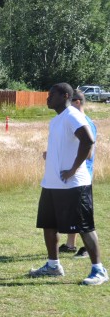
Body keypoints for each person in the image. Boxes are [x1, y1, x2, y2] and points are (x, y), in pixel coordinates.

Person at [29, 83, 107, 285]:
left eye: (51, 95)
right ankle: (53, 265)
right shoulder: (57, 120)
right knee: (48, 225)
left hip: (74, 185)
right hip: (52, 184)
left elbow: (88, 141)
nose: (47, 98)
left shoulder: (73, 115)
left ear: (65, 95)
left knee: (84, 226)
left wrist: (73, 169)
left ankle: (99, 270)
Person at [58, 89, 97, 259]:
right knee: (74, 212)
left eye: (71, 101)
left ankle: (89, 250)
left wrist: (73, 168)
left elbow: (89, 151)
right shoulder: (73, 120)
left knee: (83, 215)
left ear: (77, 102)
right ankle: (70, 245)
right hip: (72, 174)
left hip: (82, 174)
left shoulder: (86, 122)